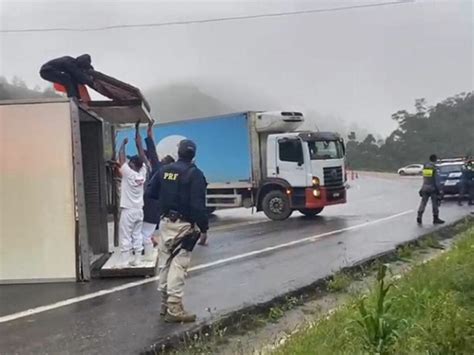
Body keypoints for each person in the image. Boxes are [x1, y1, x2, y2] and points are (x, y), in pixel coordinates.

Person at [146, 139, 209, 323]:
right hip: (183, 225)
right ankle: (175, 306)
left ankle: (164, 305)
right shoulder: (195, 174)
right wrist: (204, 229)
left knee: (165, 261)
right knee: (179, 263)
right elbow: (198, 206)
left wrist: (167, 198)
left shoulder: (164, 170)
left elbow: (150, 192)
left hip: (165, 222)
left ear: (177, 152)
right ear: (193, 155)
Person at [118, 135, 148, 267]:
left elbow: (121, 157)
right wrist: (139, 145)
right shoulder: (142, 174)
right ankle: (138, 260)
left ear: (133, 165)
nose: (128, 164)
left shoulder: (128, 174)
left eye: (130, 164)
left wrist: (123, 145)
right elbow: (143, 159)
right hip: (139, 211)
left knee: (125, 236)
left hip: (128, 211)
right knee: (137, 235)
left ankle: (125, 261)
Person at [417, 154, 445, 225]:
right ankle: (435, 218)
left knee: (423, 203)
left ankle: (419, 215)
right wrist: (440, 190)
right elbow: (436, 180)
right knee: (435, 204)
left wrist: (422, 188)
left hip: (425, 188)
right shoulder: (434, 168)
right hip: (433, 188)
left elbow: (425, 179)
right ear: (435, 159)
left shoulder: (426, 168)